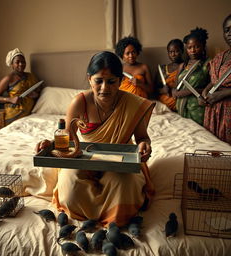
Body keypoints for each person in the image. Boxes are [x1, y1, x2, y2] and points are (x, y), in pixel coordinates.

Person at [36, 51, 155, 227]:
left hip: (121, 161)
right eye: (99, 81)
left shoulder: (131, 103)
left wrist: (145, 145)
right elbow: (67, 140)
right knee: (70, 189)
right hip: (85, 158)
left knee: (124, 186)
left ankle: (114, 221)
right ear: (89, 79)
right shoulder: (80, 102)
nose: (104, 88)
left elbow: (142, 138)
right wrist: (49, 144)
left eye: (111, 81)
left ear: (121, 80)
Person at [201, 14, 231, 144]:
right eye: (227, 30)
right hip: (213, 113)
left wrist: (223, 94)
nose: (230, 33)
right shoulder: (219, 57)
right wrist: (204, 92)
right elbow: (214, 81)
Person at [172, 28, 211, 125]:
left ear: (203, 46)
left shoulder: (208, 63)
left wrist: (189, 91)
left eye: (196, 47)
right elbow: (175, 87)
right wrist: (174, 92)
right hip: (181, 108)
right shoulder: (182, 65)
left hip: (197, 108)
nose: (193, 50)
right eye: (189, 48)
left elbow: (213, 86)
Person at [0, 48, 41, 124]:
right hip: (14, 116)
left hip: (30, 114)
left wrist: (36, 95)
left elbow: (39, 91)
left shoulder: (31, 76)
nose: (21, 64)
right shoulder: (8, 78)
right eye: (17, 62)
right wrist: (10, 100)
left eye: (23, 62)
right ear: (12, 64)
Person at [156, 39, 184, 111]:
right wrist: (162, 90)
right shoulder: (162, 69)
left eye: (176, 51)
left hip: (180, 102)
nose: (173, 55)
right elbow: (154, 90)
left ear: (182, 51)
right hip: (163, 105)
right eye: (170, 52)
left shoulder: (186, 67)